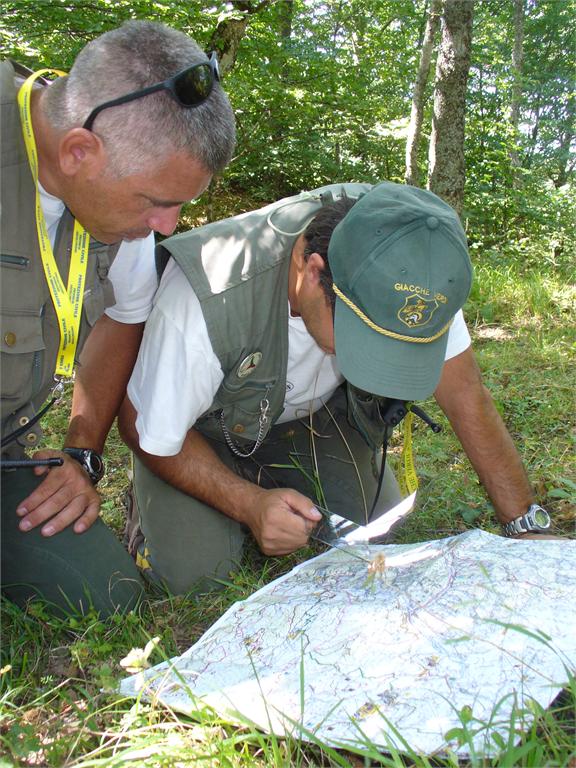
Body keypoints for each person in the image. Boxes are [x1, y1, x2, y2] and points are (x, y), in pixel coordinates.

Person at [118, 181, 555, 596]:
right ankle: (162, 509)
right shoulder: (208, 299)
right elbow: (141, 426)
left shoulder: (417, 273)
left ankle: (264, 487)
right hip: (200, 431)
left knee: (375, 528)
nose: (371, 357)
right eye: (361, 337)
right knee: (198, 575)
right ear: (312, 272)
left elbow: (465, 396)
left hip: (306, 419)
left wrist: (524, 524)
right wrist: (248, 504)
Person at [0, 20, 236, 616]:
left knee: (107, 598)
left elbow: (123, 318)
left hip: (6, 449)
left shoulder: (119, 206)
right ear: (78, 152)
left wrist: (81, 452)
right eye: (157, 202)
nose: (167, 226)